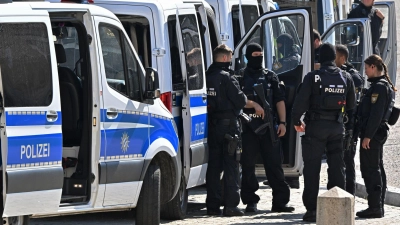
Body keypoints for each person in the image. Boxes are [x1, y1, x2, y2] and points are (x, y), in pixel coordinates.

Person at [292, 43, 356, 222]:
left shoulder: (313, 77)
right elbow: (352, 107)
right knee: (337, 168)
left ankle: (312, 210)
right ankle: (336, 205)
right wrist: (348, 129)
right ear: (335, 57)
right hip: (337, 128)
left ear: (319, 57)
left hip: (316, 128)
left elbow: (300, 102)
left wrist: (297, 121)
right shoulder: (346, 76)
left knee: (312, 169)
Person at [239, 43, 294, 213]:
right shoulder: (240, 77)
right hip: (249, 127)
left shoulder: (270, 76)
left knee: (274, 165)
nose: (259, 58)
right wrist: (254, 104)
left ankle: (280, 202)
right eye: (255, 55)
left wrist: (283, 123)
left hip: (269, 127)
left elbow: (279, 100)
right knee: (248, 166)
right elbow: (237, 99)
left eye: (260, 55)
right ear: (248, 56)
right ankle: (250, 201)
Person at [205, 44, 247, 217]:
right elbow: (241, 101)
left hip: (213, 125)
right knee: (231, 165)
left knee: (214, 166)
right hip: (229, 126)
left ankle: (212, 206)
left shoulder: (206, 76)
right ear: (224, 58)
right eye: (229, 57)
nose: (231, 61)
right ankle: (230, 205)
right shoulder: (227, 77)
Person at [356, 54, 396, 218]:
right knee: (376, 169)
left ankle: (375, 207)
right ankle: (377, 205)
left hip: (373, 135)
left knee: (371, 170)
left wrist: (368, 136)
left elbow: (376, 115)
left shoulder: (379, 87)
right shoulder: (382, 85)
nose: (365, 72)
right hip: (376, 134)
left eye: (366, 68)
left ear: (373, 67)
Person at [335, 44, 365, 196]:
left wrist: (351, 130)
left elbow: (353, 106)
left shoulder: (352, 76)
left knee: (347, 163)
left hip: (350, 127)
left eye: (334, 57)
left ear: (342, 58)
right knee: (337, 163)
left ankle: (349, 196)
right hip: (340, 125)